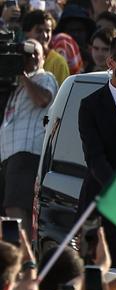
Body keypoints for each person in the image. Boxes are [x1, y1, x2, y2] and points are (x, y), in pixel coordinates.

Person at [78, 35, 116, 266]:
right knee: (95, 281)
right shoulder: (90, 105)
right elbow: (95, 158)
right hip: (99, 207)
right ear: (111, 63)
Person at [0, 39, 57, 235]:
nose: (31, 56)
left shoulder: (45, 77)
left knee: (15, 209)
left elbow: (43, 99)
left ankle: (21, 259)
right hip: (11, 157)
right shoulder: (15, 86)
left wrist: (23, 76)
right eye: (26, 54)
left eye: (36, 52)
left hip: (26, 154)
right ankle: (13, 256)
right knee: (9, 210)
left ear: (44, 57)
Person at [22, 10, 70, 87]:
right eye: (39, 31)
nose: (44, 35)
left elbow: (62, 95)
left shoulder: (58, 62)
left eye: (48, 31)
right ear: (26, 32)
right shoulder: (19, 58)